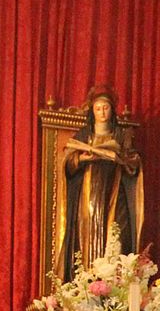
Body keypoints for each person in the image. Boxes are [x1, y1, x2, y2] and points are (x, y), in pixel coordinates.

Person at [56, 86, 143, 280]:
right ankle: (86, 283)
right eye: (98, 108)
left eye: (106, 108)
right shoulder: (83, 136)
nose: (102, 112)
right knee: (86, 238)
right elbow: (68, 164)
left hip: (114, 192)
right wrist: (82, 159)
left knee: (118, 234)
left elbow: (134, 163)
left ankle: (114, 284)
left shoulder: (121, 135)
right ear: (92, 111)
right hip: (89, 195)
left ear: (112, 110)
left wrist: (121, 158)